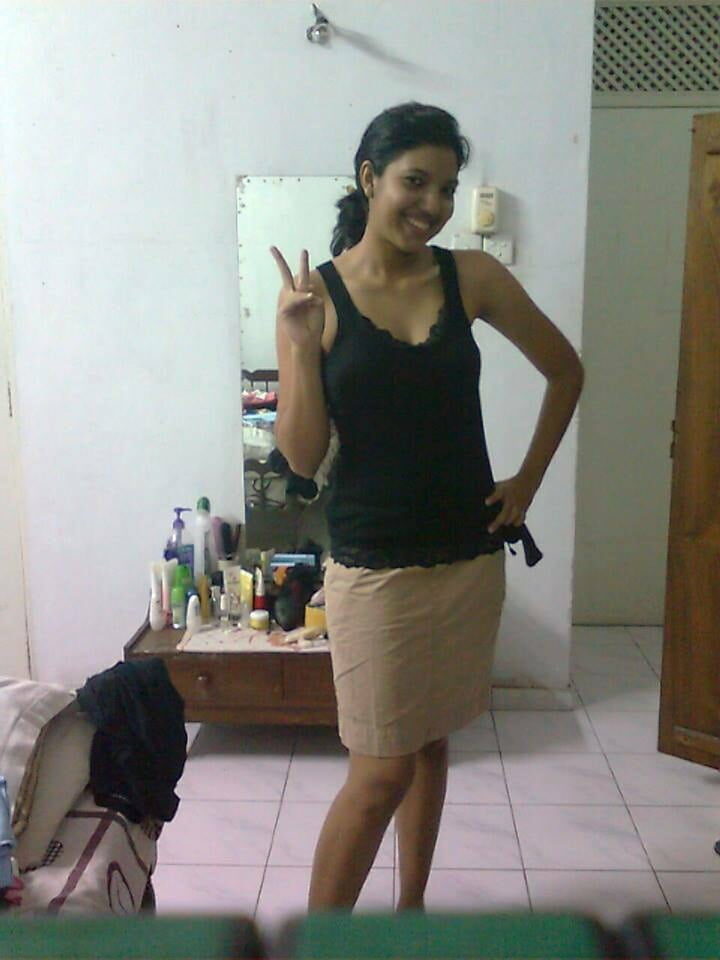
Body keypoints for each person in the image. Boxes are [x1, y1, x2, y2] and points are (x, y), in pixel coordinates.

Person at [271, 102, 584, 911]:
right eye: (416, 182)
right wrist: (300, 346)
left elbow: (566, 370)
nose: (434, 205)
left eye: (447, 188)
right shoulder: (316, 297)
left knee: (432, 743)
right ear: (370, 178)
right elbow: (302, 458)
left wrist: (526, 483)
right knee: (380, 772)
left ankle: (411, 913)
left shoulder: (470, 276)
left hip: (468, 558)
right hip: (374, 568)